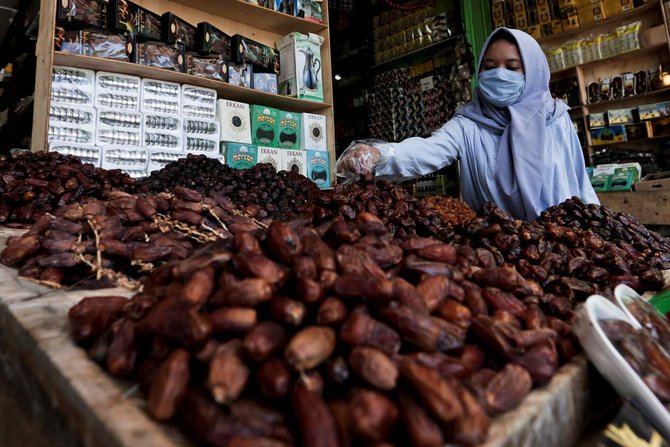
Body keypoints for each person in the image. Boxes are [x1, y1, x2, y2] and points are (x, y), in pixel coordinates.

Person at [335, 28, 599, 221]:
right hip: (497, 249)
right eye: (489, 66)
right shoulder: (468, 125)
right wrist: (377, 154)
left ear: (533, 71)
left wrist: (597, 228)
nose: (499, 74)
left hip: (564, 243)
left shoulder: (556, 118)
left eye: (512, 66)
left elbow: (579, 180)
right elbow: (425, 151)